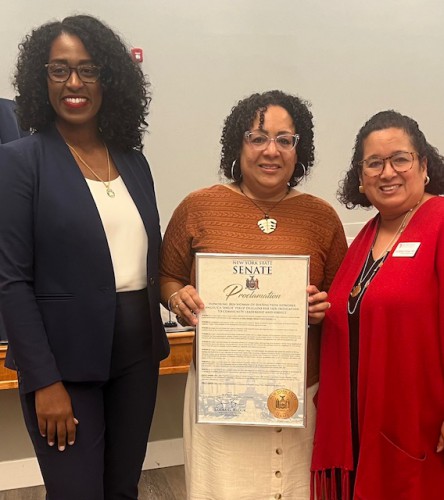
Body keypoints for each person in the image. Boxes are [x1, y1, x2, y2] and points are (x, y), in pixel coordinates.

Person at [0, 15, 169, 500]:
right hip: (63, 366)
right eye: (59, 70)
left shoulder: (133, 161)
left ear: (108, 79)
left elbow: (146, 260)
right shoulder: (20, 162)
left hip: (138, 356)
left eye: (88, 69)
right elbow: (11, 282)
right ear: (41, 78)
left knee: (122, 489)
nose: (74, 82)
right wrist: (43, 381)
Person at [160, 90, 348, 499]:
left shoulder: (322, 217)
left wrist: (322, 308)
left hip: (298, 392)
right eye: (258, 137)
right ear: (237, 144)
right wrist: (178, 298)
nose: (271, 151)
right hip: (221, 394)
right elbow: (168, 277)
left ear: (300, 150)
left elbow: (341, 297)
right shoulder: (198, 207)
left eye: (285, 139)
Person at [311, 110, 444, 499]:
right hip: (359, 419)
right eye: (374, 163)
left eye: (400, 159)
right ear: (360, 176)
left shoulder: (439, 221)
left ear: (423, 165)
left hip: (418, 419)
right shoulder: (366, 236)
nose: (387, 173)